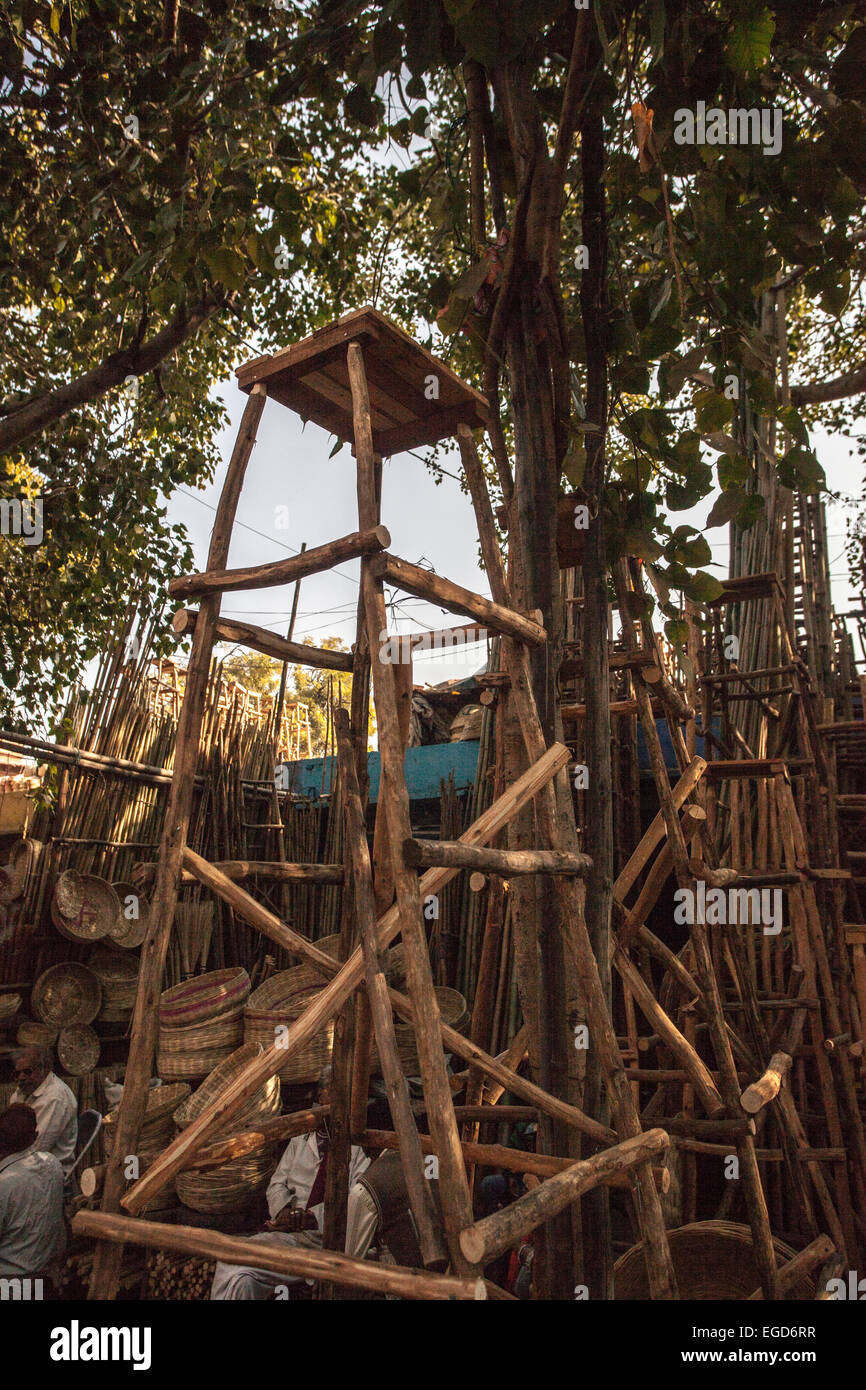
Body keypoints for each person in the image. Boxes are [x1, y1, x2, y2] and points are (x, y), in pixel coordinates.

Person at [211, 1067, 370, 1300]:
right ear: (321, 1097)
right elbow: (276, 1184)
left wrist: (311, 1218)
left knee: (238, 1265)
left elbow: (356, 1207)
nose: (338, 1101)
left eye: (345, 1095)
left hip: (320, 1242)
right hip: (287, 1235)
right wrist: (284, 1211)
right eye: (332, 1093)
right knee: (237, 1272)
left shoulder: (356, 1152)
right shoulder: (301, 1140)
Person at [0, 1103, 66, 1284]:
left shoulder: (4, 1185)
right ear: (35, 1137)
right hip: (45, 1279)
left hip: (11, 1285)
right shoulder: (53, 1164)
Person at [10, 1046, 78, 1178]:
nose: (21, 1078)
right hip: (23, 1164)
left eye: (28, 1071)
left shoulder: (55, 1097)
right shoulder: (22, 1091)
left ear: (45, 1069)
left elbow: (37, 1148)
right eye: (17, 1074)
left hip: (46, 1173)